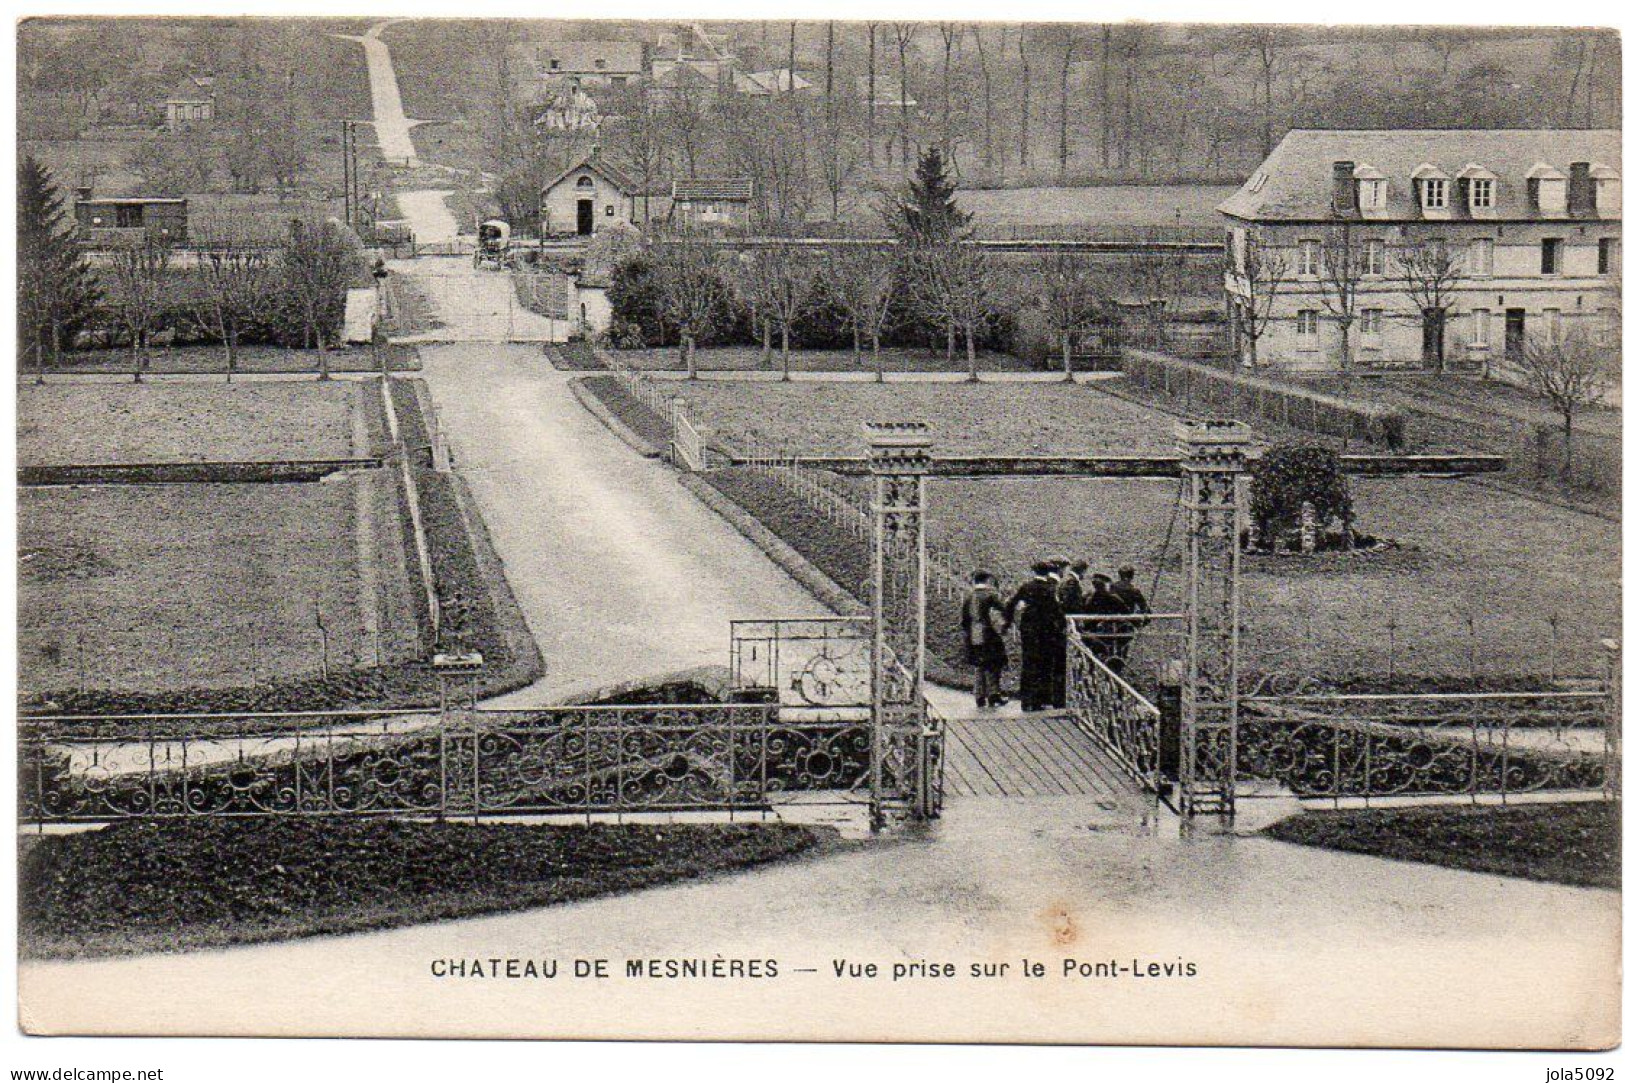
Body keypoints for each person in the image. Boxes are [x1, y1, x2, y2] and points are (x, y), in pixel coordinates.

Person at [1010, 562, 1065, 711]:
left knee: (1028, 663)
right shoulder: (1050, 589)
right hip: (1045, 633)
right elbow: (1056, 611)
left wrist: (1009, 622)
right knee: (1043, 665)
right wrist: (1062, 625)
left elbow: (1011, 604)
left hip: (1028, 631)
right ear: (1047, 573)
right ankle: (1038, 700)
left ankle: (1025, 699)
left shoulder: (1026, 587)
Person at [960, 571, 1009, 709]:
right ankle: (994, 695)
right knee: (993, 664)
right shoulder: (991, 596)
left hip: (973, 636)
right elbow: (1003, 611)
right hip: (989, 634)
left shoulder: (969, 598)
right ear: (987, 580)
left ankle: (979, 696)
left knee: (979, 665)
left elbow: (964, 620)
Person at [1081, 572, 1131, 671]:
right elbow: (1126, 612)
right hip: (1108, 633)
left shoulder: (1088, 598)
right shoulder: (1112, 598)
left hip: (1095, 632)